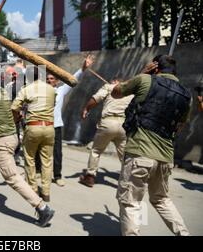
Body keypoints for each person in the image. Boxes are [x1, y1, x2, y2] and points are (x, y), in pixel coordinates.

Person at [111, 55, 191, 236]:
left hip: (140, 152)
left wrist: (141, 72)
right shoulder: (186, 95)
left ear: (155, 67)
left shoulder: (145, 79)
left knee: (130, 201)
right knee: (161, 199)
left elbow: (115, 92)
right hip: (165, 157)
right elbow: (179, 126)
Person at [0, 68, 55, 227]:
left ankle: (42, 207)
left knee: (12, 177)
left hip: (2, 141)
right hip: (9, 138)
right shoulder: (2, 92)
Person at [45, 55, 94, 187]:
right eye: (47, 79)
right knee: (41, 150)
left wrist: (83, 68)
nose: (49, 81)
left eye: (52, 79)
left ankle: (57, 176)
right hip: (43, 125)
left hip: (56, 126)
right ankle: (39, 171)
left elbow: (72, 79)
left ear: (56, 81)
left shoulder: (61, 90)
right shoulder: (41, 91)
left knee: (57, 153)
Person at [11, 66, 55, 202]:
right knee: (47, 161)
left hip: (33, 127)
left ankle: (33, 188)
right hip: (49, 127)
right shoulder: (51, 89)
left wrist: (17, 117)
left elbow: (14, 107)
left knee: (29, 158)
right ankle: (46, 192)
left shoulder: (26, 89)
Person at [78, 78, 134, 187]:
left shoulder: (109, 87)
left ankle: (90, 176)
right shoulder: (131, 92)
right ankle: (129, 180)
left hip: (108, 122)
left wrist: (86, 109)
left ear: (116, 82)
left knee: (96, 150)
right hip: (123, 125)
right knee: (124, 155)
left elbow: (96, 98)